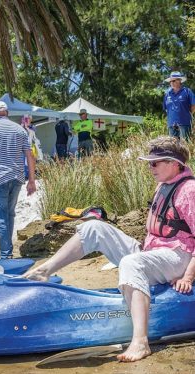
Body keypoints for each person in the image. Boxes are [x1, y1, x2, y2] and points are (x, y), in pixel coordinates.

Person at [24, 136, 195, 362]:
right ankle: (43, 271)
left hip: (179, 256)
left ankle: (140, 342)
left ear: (174, 163)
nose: (149, 167)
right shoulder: (163, 185)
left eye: (155, 163)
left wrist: (188, 275)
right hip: (154, 252)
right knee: (95, 227)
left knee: (131, 263)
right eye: (149, 162)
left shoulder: (189, 191)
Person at [0, 101, 37, 259]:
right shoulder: (20, 129)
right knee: (9, 215)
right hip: (17, 178)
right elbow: (30, 156)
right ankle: (7, 251)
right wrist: (31, 180)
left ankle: (5, 254)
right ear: (7, 112)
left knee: (0, 218)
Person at [163, 71, 195, 141]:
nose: (171, 83)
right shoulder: (167, 94)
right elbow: (166, 109)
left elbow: (193, 106)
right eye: (170, 81)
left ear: (179, 81)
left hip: (185, 123)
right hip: (171, 125)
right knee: (173, 147)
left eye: (173, 80)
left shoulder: (187, 91)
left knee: (185, 146)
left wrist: (187, 115)